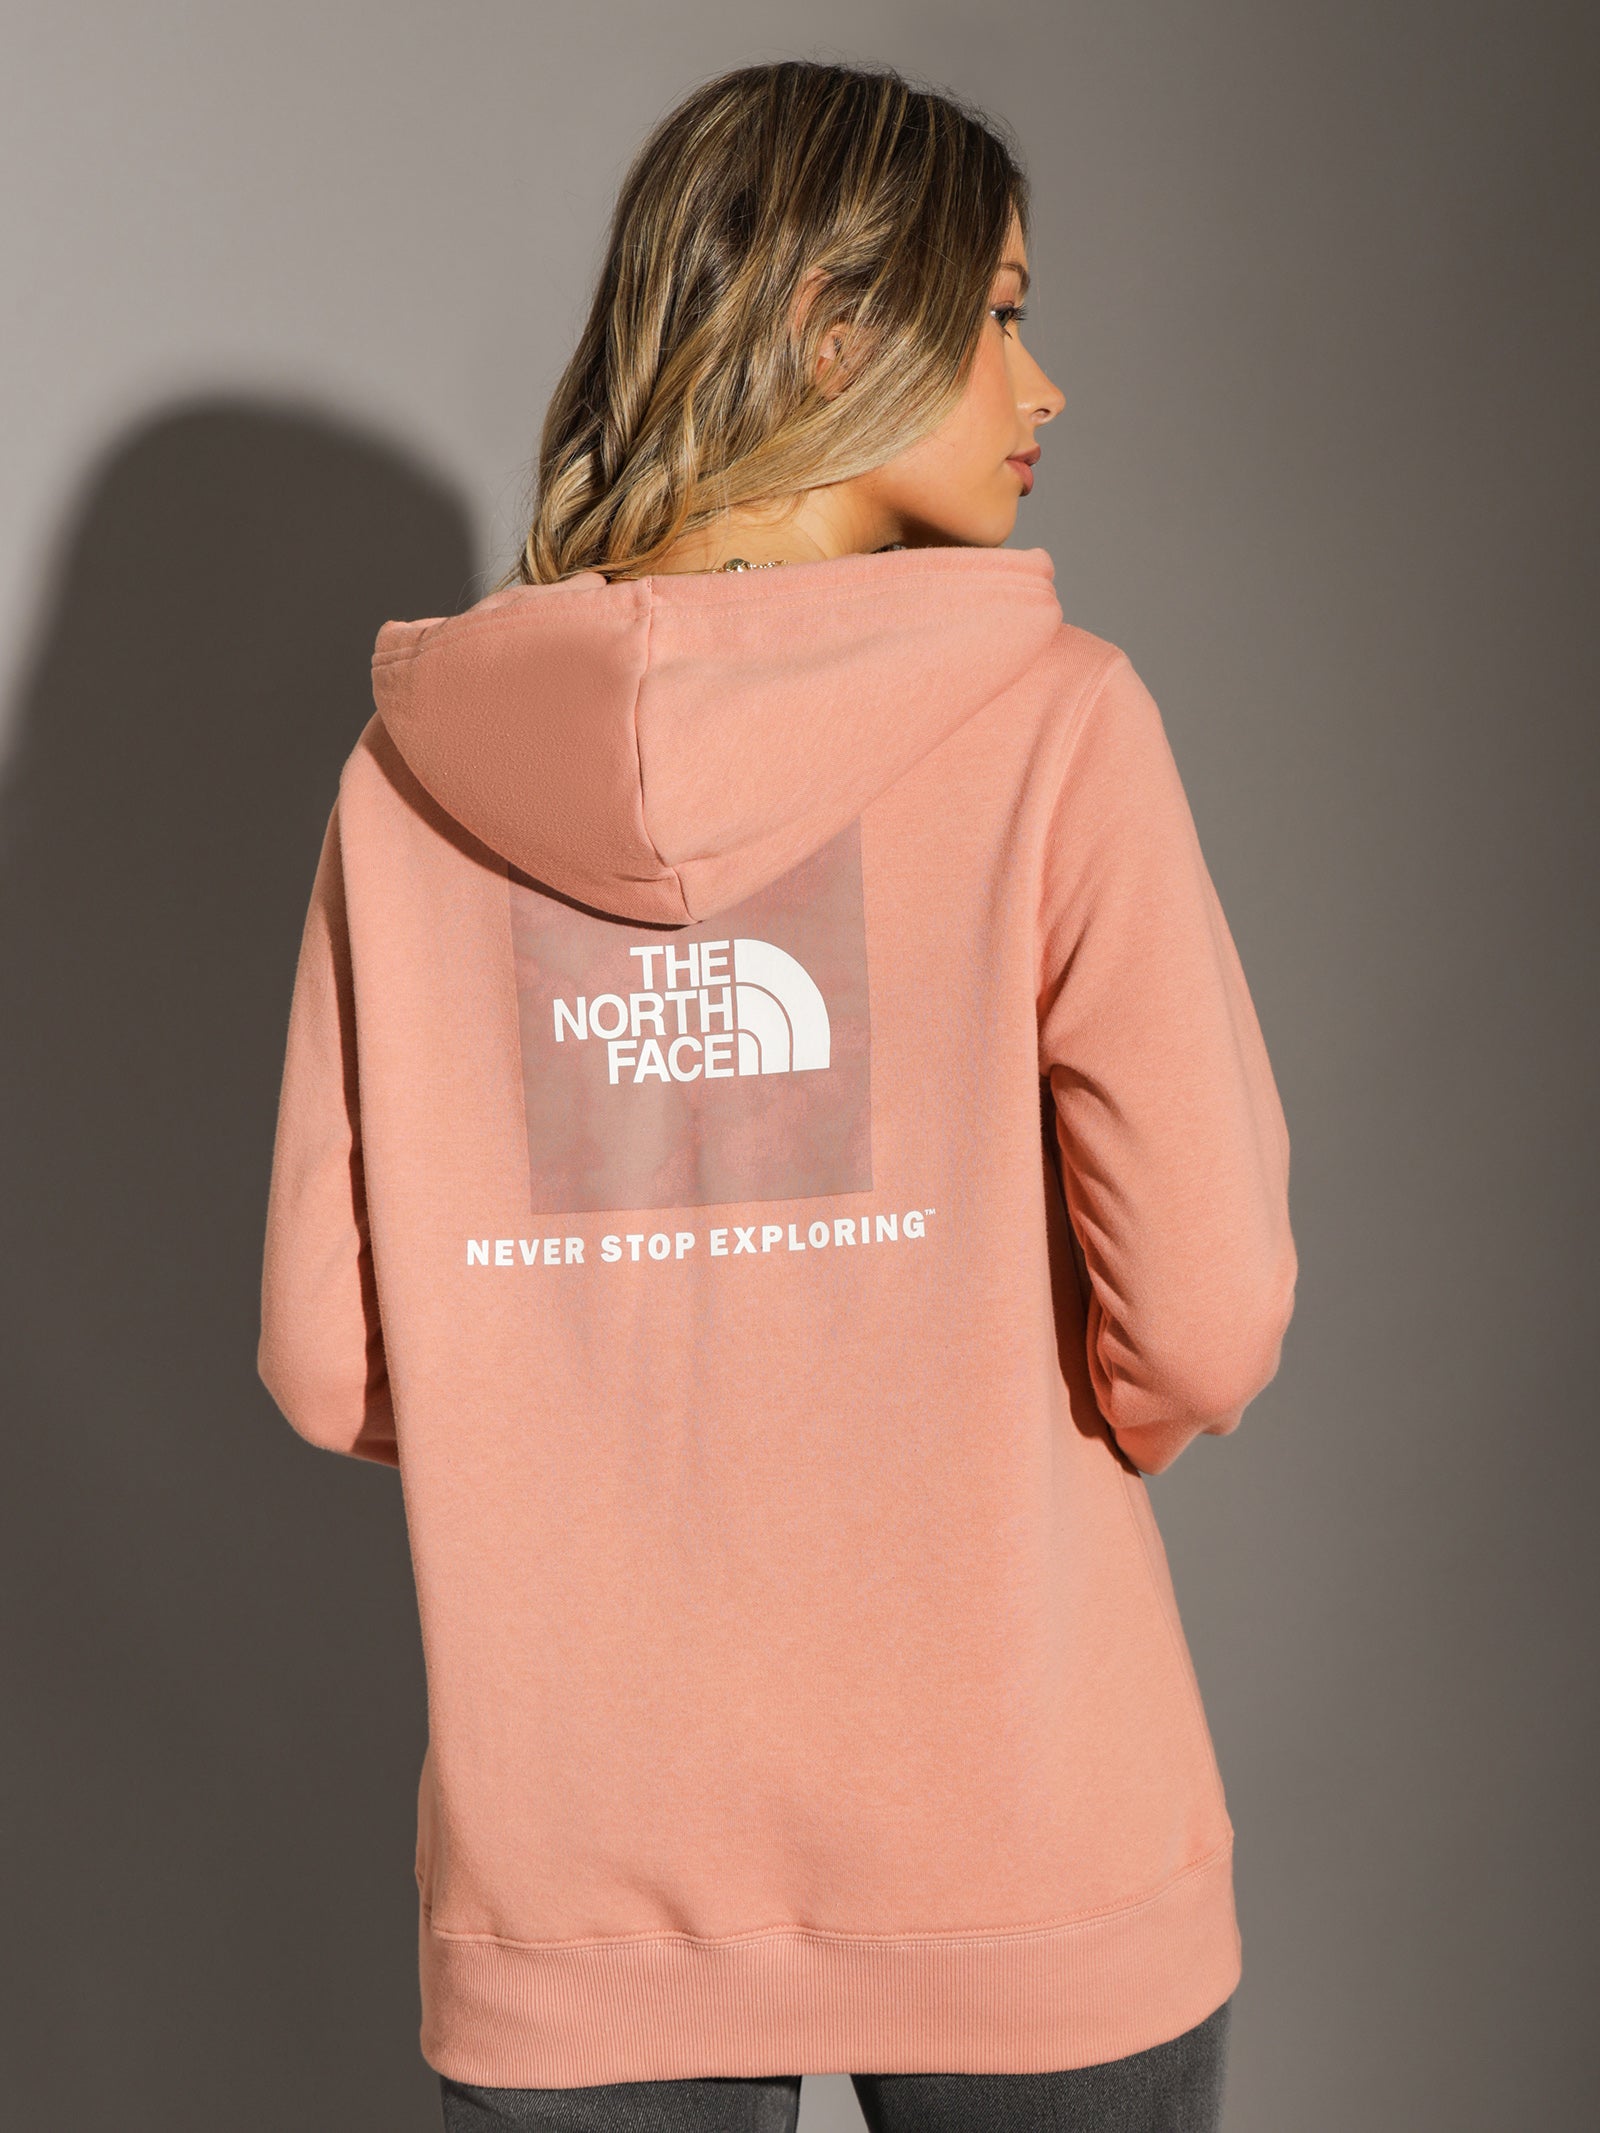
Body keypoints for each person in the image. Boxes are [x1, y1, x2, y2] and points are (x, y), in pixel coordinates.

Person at [257, 57, 1296, 2133]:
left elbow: (323, 1356)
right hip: (1028, 1829)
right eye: (997, 315)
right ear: (833, 331)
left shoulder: (406, 784)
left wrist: (574, 1406)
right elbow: (1203, 1313)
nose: (1045, 384)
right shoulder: (1058, 727)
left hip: (577, 1869)